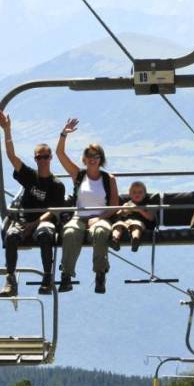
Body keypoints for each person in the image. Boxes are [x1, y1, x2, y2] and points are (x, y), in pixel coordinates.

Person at [0, 110, 66, 298]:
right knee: (11, 235)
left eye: (45, 157)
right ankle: (10, 278)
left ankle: (47, 277)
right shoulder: (29, 176)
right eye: (39, 157)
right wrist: (7, 130)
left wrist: (34, 224)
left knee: (44, 234)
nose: (42, 160)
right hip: (24, 220)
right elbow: (12, 156)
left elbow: (54, 210)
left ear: (50, 158)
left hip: (43, 221)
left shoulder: (57, 185)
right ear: (35, 159)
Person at [56, 118, 119, 294]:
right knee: (70, 232)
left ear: (101, 159)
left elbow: (114, 206)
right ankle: (66, 275)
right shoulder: (78, 175)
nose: (92, 159)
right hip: (79, 217)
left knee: (101, 232)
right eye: (89, 156)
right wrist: (64, 134)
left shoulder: (109, 179)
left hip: (101, 217)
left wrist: (99, 218)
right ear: (84, 159)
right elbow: (60, 154)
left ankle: (100, 274)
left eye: (96, 156)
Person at [110, 181, 155, 253]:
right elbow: (117, 214)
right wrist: (123, 211)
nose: (137, 194)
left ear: (144, 194)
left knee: (136, 226)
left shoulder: (146, 205)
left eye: (140, 192)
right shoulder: (127, 204)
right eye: (134, 192)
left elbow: (151, 218)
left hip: (138, 223)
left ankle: (135, 239)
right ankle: (115, 239)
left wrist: (139, 210)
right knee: (118, 225)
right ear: (130, 194)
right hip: (125, 223)